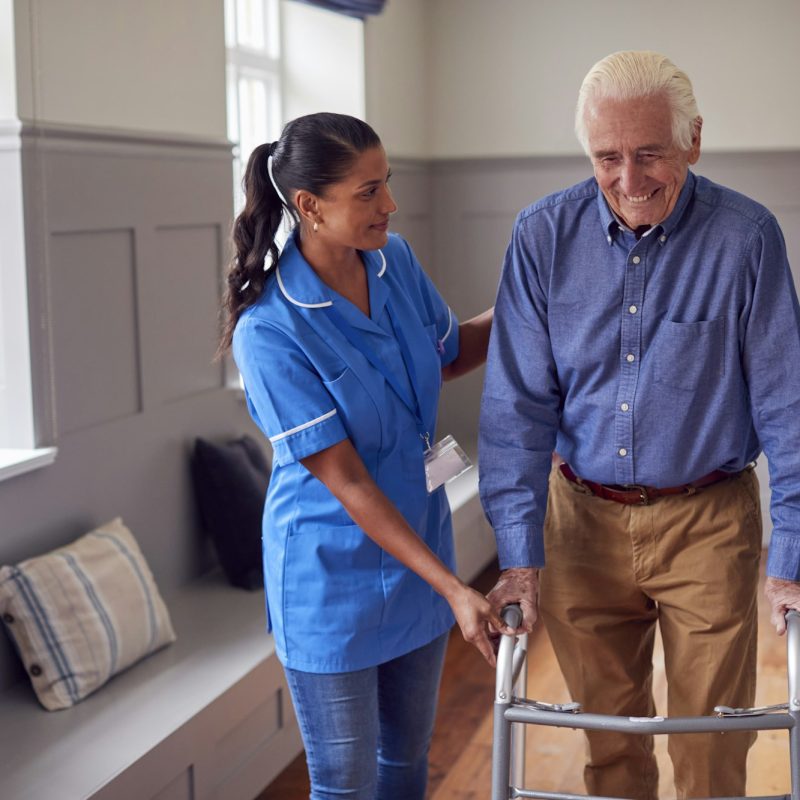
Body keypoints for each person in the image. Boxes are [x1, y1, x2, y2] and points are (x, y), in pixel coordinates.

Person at [479, 50, 800, 800]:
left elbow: (788, 407)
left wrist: (789, 557)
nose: (629, 180)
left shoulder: (747, 238)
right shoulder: (542, 236)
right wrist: (520, 556)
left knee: (713, 746)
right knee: (610, 749)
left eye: (650, 152)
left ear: (693, 139)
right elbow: (516, 408)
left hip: (709, 521)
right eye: (608, 157)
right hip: (580, 520)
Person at [218, 112, 504, 800]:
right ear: (310, 206)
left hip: (419, 555)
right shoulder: (269, 330)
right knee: (345, 783)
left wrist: (533, 306)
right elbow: (345, 480)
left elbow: (451, 352)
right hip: (330, 581)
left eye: (388, 185)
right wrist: (454, 587)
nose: (391, 206)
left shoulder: (394, 261)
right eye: (368, 192)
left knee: (405, 768)